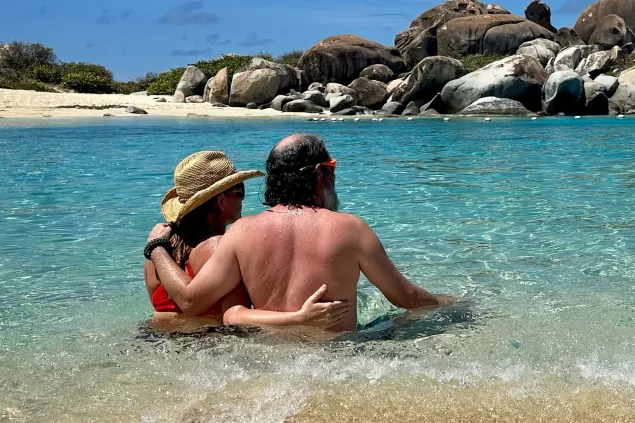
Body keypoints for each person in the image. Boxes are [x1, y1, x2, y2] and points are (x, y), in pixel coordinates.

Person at [145, 134, 449, 333]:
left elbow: (217, 309)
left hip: (271, 362)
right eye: (331, 168)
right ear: (320, 175)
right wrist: (451, 304)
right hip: (340, 363)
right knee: (397, 324)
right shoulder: (351, 228)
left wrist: (157, 246)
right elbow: (406, 297)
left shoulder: (240, 232)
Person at [144, 150, 348, 330]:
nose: (243, 199)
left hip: (152, 340)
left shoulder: (159, 252)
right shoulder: (218, 247)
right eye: (239, 191)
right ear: (222, 201)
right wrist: (300, 318)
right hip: (197, 350)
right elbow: (232, 317)